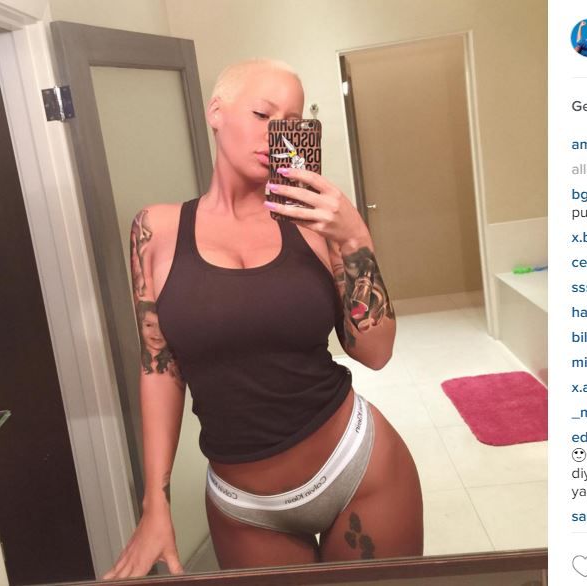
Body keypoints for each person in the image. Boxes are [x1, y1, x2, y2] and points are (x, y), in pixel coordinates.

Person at [104, 58, 423, 579]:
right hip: (243, 506)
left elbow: (376, 351)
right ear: (216, 112)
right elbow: (159, 366)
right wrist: (154, 502)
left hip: (355, 467)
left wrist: (353, 237)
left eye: (290, 122)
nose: (275, 135)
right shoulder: (154, 230)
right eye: (261, 114)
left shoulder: (315, 223)